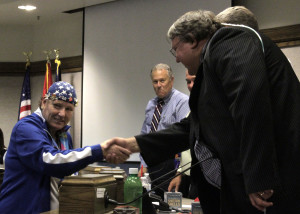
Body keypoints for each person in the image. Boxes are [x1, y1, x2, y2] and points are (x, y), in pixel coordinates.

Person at [105, 9, 300, 214]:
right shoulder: (215, 61)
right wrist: (134, 144)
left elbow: (251, 107)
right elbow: (194, 126)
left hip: (273, 185)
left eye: (176, 49)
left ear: (193, 40)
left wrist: (259, 178)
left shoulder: (230, 40)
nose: (177, 59)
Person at [0, 81, 131, 214]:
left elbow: (65, 171)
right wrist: (99, 151)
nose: (62, 114)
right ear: (44, 103)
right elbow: (50, 161)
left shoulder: (64, 137)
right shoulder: (26, 128)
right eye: (57, 106)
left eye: (68, 109)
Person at [139, 63, 190, 199]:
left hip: (172, 167)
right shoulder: (151, 105)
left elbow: (184, 139)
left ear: (171, 80)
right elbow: (145, 136)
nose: (158, 85)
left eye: (162, 80)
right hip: (152, 166)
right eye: (155, 81)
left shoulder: (182, 102)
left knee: (171, 208)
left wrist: (179, 173)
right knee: (152, 205)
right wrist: (143, 165)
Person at [168, 70, 197, 199]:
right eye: (188, 81)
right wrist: (179, 172)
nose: (190, 85)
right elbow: (187, 148)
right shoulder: (193, 111)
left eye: (194, 80)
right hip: (189, 176)